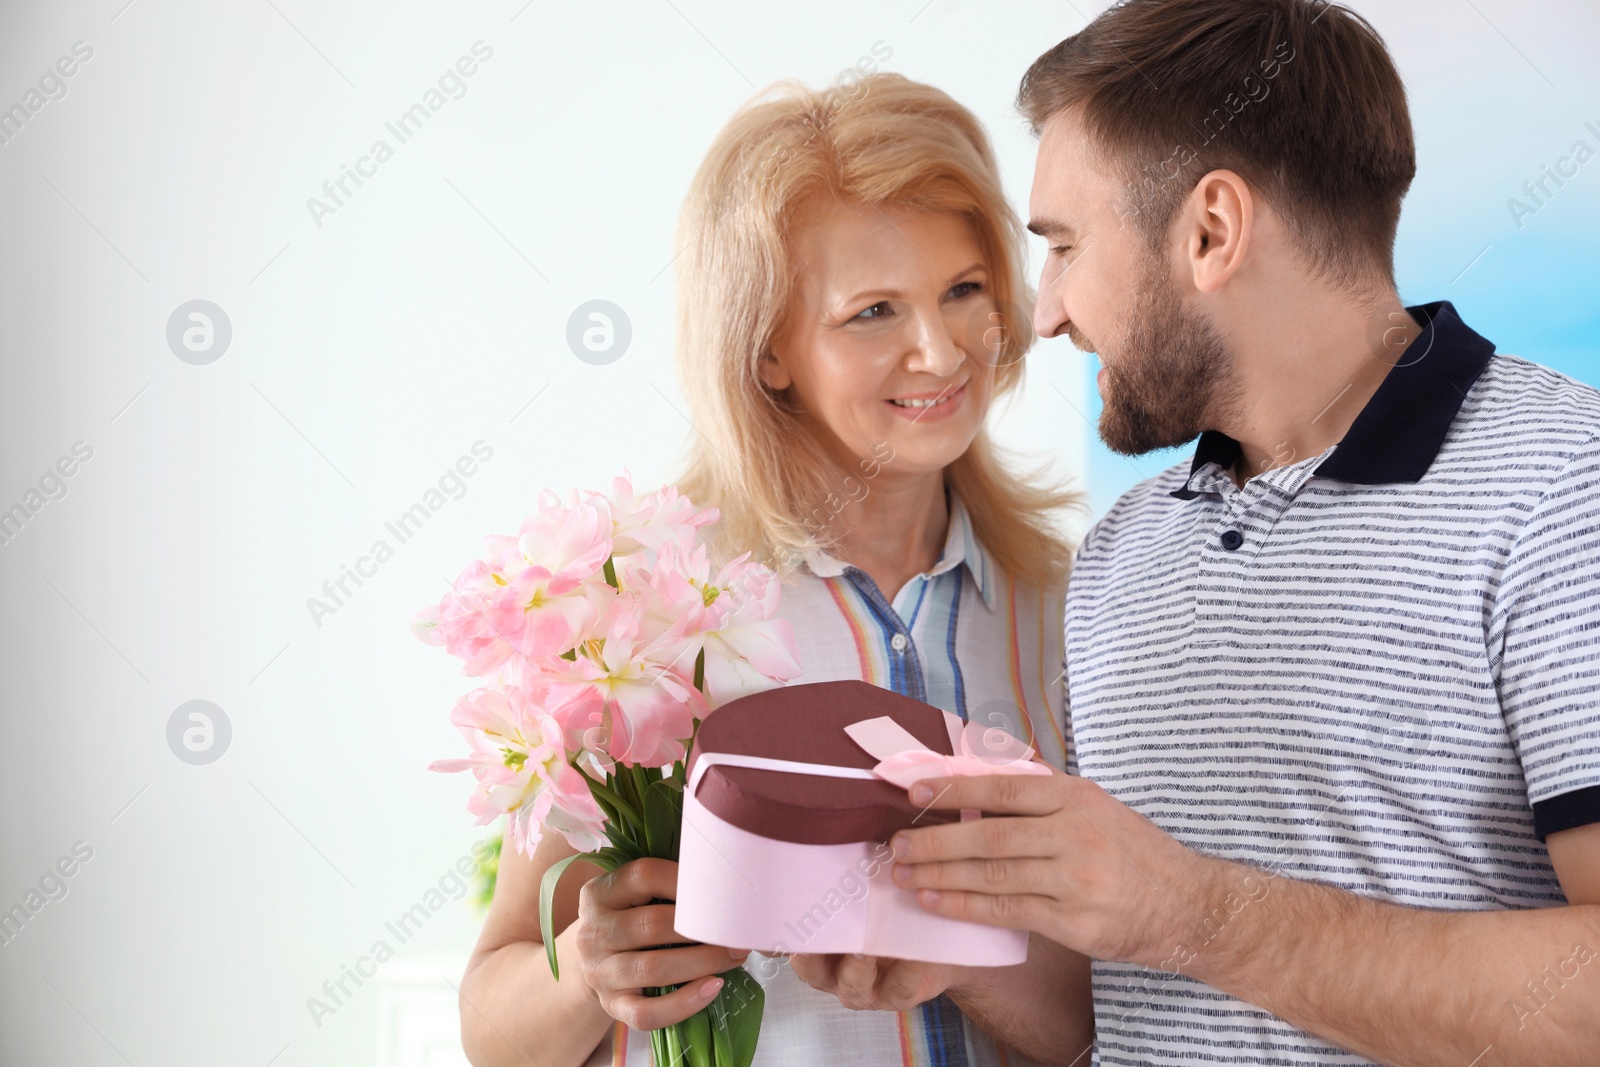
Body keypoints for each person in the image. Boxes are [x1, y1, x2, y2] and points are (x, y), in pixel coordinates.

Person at [796, 2, 1600, 1065]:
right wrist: (959, 948)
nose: (1043, 316)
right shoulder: (1129, 549)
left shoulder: (1561, 492)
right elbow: (1130, 1000)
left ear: (1211, 230)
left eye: (1068, 247)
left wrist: (1193, 912)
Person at [456, 73, 1088, 1067]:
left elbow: (1095, 1025)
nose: (940, 348)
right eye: (873, 310)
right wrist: (589, 967)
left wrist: (953, 939)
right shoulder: (647, 617)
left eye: (963, 289)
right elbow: (492, 1027)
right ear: (768, 353)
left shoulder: (1070, 605)